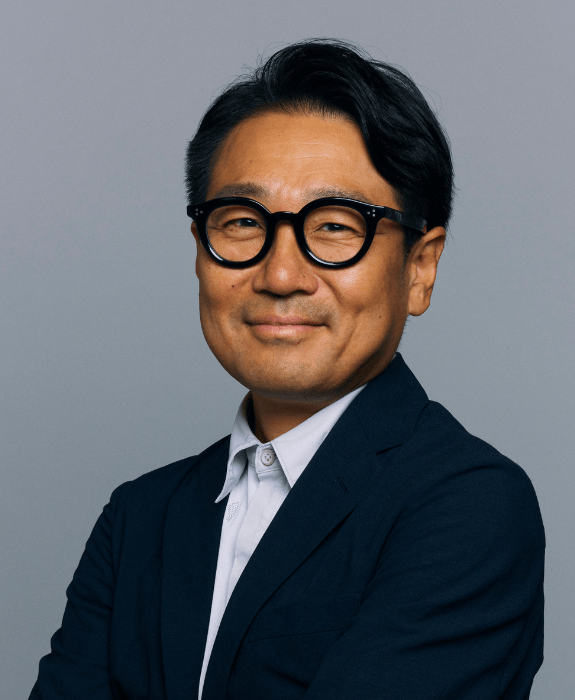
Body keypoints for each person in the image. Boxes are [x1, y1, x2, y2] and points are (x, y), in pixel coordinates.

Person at [29, 39, 545, 700]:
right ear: (199, 250)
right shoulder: (139, 517)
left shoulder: (468, 504)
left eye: (335, 226)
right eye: (242, 222)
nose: (279, 274)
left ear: (419, 268)